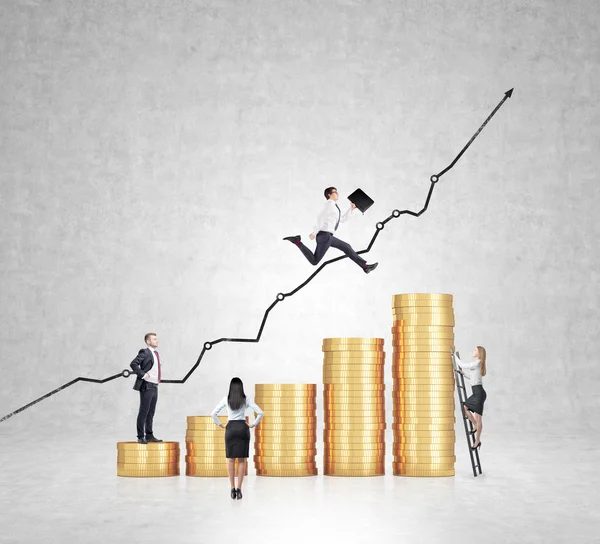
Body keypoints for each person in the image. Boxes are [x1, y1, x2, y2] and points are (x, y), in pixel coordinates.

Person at [283, 187, 378, 273]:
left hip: (328, 237)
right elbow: (321, 217)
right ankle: (297, 242)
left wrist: (351, 209)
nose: (337, 194)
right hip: (324, 236)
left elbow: (342, 219)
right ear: (329, 195)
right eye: (335, 192)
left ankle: (365, 267)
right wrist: (314, 232)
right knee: (315, 261)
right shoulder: (329, 205)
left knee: (346, 247)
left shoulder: (335, 207)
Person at [212, 378, 263, 500]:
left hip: (230, 428)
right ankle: (239, 490)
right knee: (241, 461)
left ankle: (232, 489)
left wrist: (221, 424)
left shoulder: (226, 399)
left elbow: (213, 413)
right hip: (242, 428)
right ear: (241, 387)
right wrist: (253, 424)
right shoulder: (245, 399)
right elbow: (260, 412)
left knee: (230, 460)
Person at [130, 333, 163, 444]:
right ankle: (140, 436)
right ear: (148, 341)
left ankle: (149, 435)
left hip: (155, 386)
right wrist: (143, 374)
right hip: (147, 385)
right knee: (144, 412)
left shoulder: (156, 353)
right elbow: (133, 364)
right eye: (154, 339)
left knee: (151, 413)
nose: (157, 341)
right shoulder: (145, 352)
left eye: (156, 339)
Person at [455, 346, 487, 450]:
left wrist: (454, 356)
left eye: (475, 350)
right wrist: (463, 374)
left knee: (478, 418)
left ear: (479, 353)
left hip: (478, 393)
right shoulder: (477, 364)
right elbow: (472, 378)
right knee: (465, 407)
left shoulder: (477, 362)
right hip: (477, 392)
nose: (473, 351)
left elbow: (463, 364)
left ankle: (477, 441)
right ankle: (475, 425)